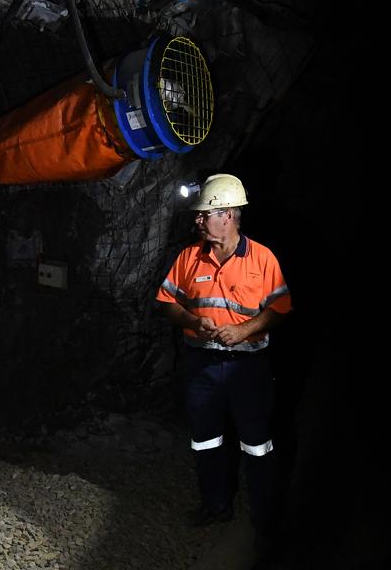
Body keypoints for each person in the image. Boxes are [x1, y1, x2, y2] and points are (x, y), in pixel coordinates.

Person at [155, 173, 291, 559]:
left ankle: (265, 522)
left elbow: (280, 308)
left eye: (205, 214)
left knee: (257, 446)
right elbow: (167, 301)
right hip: (202, 366)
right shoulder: (189, 257)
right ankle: (215, 506)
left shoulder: (262, 258)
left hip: (249, 368)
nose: (198, 220)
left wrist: (244, 330)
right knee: (205, 440)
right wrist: (193, 320)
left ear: (228, 215)